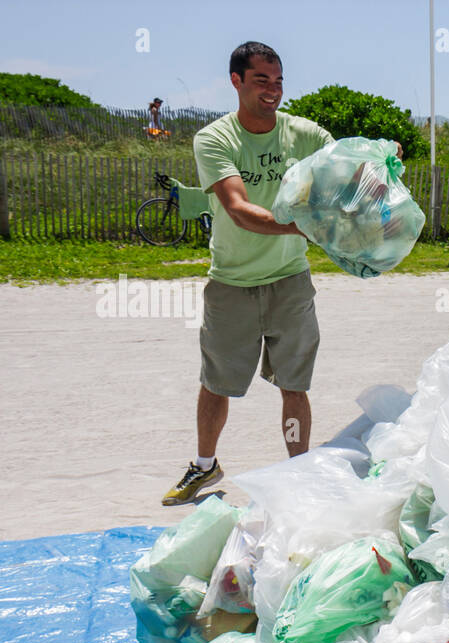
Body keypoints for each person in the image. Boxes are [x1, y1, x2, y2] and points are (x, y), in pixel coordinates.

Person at [162, 41, 334, 505]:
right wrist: (305, 225)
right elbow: (237, 209)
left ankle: (300, 470)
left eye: (278, 82)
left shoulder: (306, 134)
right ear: (236, 81)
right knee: (217, 384)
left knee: (294, 385)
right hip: (232, 283)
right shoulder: (215, 139)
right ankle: (204, 467)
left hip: (290, 280)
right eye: (261, 81)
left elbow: (347, 167)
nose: (272, 91)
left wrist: (380, 154)